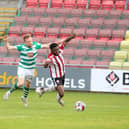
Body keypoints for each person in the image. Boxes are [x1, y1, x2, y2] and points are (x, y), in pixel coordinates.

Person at [3, 34, 52, 107]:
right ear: (25, 42)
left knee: (28, 84)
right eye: (29, 41)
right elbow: (9, 48)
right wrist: (6, 42)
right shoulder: (21, 47)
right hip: (22, 67)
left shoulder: (35, 45)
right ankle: (9, 92)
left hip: (31, 68)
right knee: (20, 84)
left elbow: (46, 46)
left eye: (31, 41)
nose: (31, 42)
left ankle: (24, 98)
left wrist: (54, 44)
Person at [36, 34, 76, 106]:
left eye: (57, 49)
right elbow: (44, 66)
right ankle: (58, 99)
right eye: (55, 50)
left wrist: (71, 37)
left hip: (63, 74)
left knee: (56, 87)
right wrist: (46, 63)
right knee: (61, 93)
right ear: (52, 50)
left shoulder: (59, 50)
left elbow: (65, 42)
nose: (57, 51)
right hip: (56, 76)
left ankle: (43, 90)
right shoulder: (51, 58)